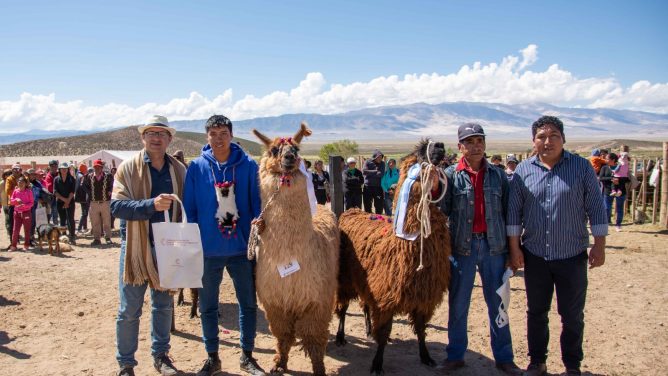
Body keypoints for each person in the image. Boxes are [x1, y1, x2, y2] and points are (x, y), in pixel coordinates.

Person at [507, 116, 607, 376]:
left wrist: (600, 245)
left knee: (572, 315)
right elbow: (514, 213)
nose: (547, 141)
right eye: (541, 136)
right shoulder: (523, 171)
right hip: (535, 253)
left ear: (563, 139)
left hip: (571, 254)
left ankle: (572, 366)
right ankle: (537, 362)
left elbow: (596, 208)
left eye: (553, 136)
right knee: (536, 312)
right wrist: (515, 248)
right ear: (533, 141)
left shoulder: (582, 168)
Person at [183, 115, 264, 376]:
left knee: (248, 303)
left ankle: (247, 356)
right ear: (207, 137)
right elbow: (190, 208)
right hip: (209, 250)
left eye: (223, 133)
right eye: (213, 133)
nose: (218, 138)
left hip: (241, 249)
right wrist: (195, 241)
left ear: (231, 135)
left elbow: (256, 203)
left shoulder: (248, 166)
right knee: (208, 306)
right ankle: (212, 357)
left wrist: (258, 222)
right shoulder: (196, 167)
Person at [438, 123, 520, 375]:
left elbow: (509, 214)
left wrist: (512, 250)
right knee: (459, 303)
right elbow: (442, 212)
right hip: (462, 248)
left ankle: (504, 358)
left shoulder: (498, 176)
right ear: (460, 146)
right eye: (469, 141)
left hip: (494, 247)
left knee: (499, 304)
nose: (476, 146)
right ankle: (455, 355)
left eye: (479, 140)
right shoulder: (450, 176)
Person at [110, 115, 185, 376]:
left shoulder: (178, 170)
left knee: (163, 305)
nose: (156, 138)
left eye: (161, 134)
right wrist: (149, 205)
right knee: (129, 309)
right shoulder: (128, 169)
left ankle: (161, 356)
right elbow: (116, 206)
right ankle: (126, 363)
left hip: (168, 248)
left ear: (169, 139)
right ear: (143, 138)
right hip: (136, 248)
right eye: (151, 133)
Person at [84, 159, 114, 245]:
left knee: (106, 221)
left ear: (102, 168)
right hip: (94, 203)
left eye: (99, 167)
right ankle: (97, 238)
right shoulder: (89, 176)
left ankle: (108, 237)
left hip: (105, 202)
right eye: (95, 167)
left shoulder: (108, 176)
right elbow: (84, 186)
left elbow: (112, 185)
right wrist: (89, 193)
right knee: (95, 221)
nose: (97, 169)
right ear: (93, 167)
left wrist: (109, 191)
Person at [599, 153, 628, 232]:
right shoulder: (604, 168)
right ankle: (606, 222)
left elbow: (626, 179)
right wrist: (611, 178)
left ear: (613, 160)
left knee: (619, 208)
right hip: (608, 191)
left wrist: (618, 180)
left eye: (607, 159)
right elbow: (601, 178)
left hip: (620, 191)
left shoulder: (622, 167)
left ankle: (618, 225)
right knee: (607, 208)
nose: (606, 160)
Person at [54, 162, 77, 243]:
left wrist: (67, 201)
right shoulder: (56, 179)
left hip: (70, 201)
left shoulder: (72, 179)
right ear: (59, 170)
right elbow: (55, 192)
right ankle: (64, 236)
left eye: (65, 169)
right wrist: (64, 200)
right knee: (62, 219)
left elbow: (72, 191)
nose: (64, 170)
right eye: (62, 169)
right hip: (60, 202)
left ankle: (72, 236)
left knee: (70, 219)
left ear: (68, 169)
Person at [9, 176, 34, 251]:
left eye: (22, 182)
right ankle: (13, 246)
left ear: (26, 183)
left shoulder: (29, 192)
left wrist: (25, 206)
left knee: (27, 229)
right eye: (19, 181)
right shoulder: (15, 191)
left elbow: (32, 203)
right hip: (17, 213)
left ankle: (26, 245)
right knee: (15, 230)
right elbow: (11, 201)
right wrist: (16, 199)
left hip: (26, 212)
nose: (20, 183)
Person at [75, 166, 91, 235]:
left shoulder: (77, 175)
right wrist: (89, 192)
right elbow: (82, 185)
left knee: (84, 213)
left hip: (79, 197)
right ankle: (79, 228)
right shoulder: (82, 176)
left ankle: (84, 227)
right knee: (84, 214)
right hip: (84, 197)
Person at [44, 160, 60, 225]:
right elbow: (49, 187)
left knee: (56, 215)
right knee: (49, 215)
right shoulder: (48, 176)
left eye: (55, 166)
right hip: (50, 198)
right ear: (50, 167)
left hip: (57, 197)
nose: (54, 168)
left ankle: (56, 230)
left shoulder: (59, 174)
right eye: (52, 166)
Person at [1, 169, 13, 245]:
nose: (8, 175)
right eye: (7, 174)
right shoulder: (2, 183)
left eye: (10, 174)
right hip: (5, 203)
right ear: (4, 175)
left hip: (12, 203)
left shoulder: (12, 181)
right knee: (8, 218)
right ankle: (9, 232)